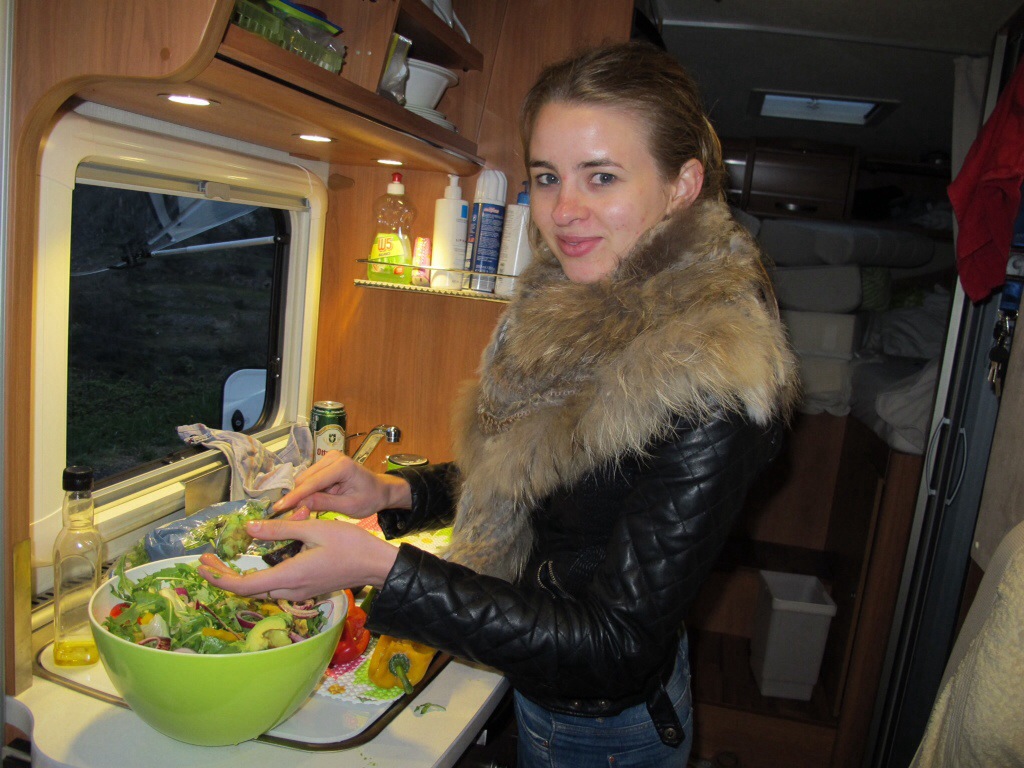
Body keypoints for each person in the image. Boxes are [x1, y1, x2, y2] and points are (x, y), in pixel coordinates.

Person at [199, 41, 799, 767]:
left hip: (604, 728)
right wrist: (394, 492)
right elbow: (544, 475)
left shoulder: (711, 376)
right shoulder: (583, 304)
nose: (564, 212)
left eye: (602, 176)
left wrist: (384, 570)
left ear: (682, 186)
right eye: (546, 177)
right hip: (539, 679)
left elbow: (616, 648)